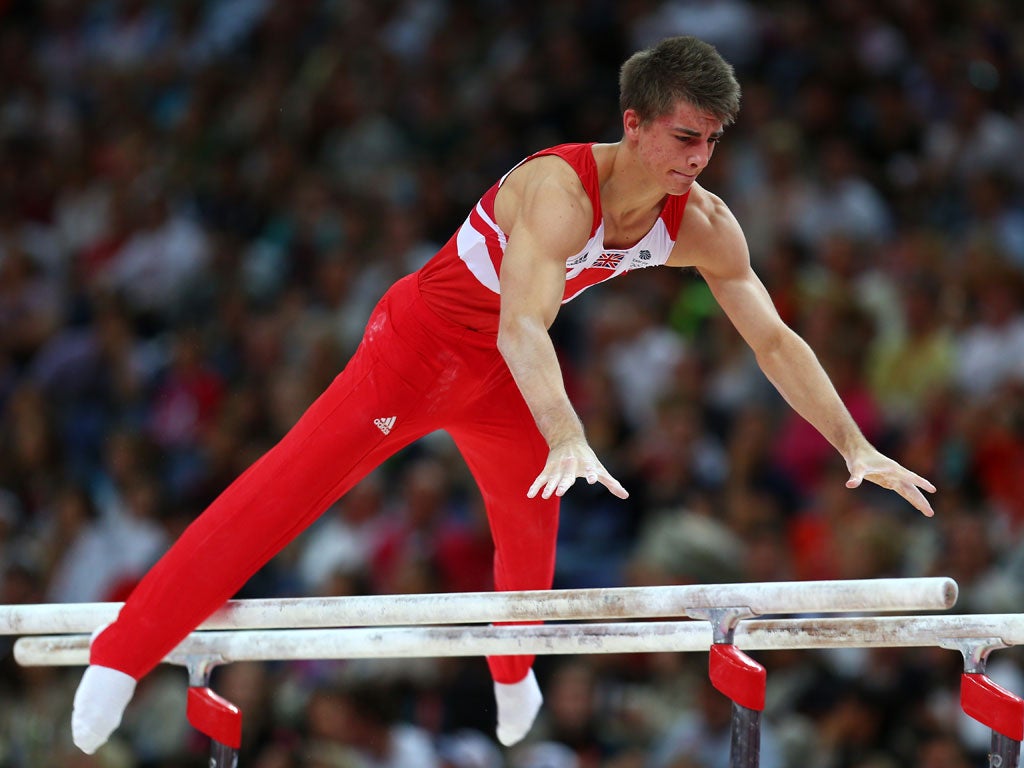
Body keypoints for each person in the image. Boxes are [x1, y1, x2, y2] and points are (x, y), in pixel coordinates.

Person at [71, 35, 936, 755]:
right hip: (416, 353)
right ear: (633, 126)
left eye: (712, 141)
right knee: (284, 496)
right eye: (682, 138)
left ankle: (511, 671)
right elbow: (524, 325)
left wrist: (852, 444)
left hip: (498, 380)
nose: (699, 159)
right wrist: (566, 433)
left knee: (533, 532)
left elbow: (775, 339)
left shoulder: (701, 223)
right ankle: (122, 653)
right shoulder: (557, 192)